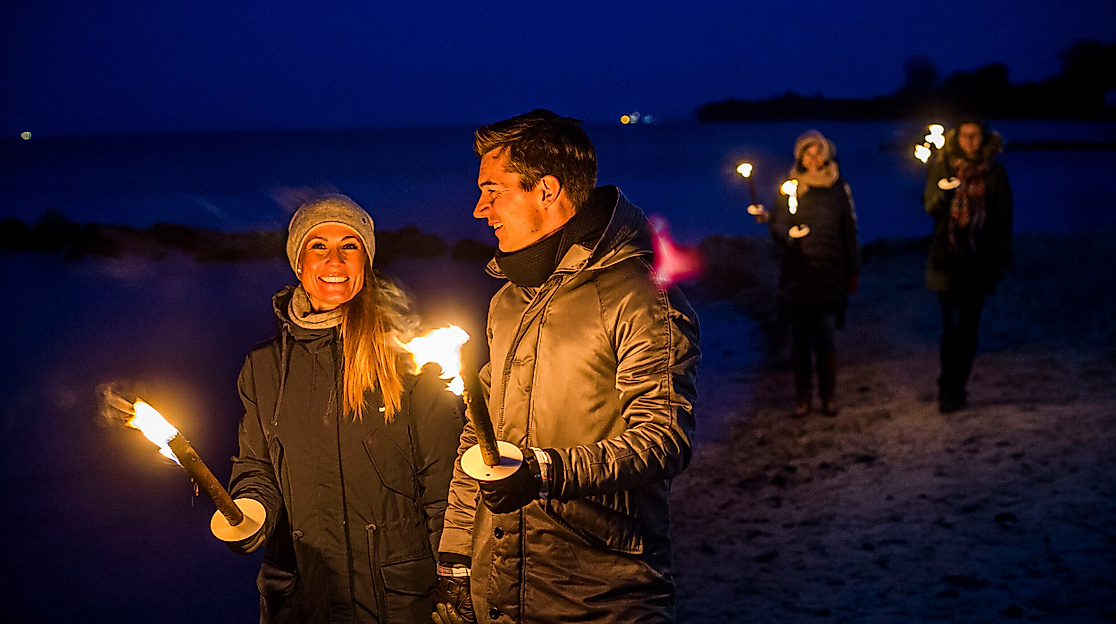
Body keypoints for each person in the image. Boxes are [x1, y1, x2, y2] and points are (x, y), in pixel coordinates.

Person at [431, 109, 700, 624]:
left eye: (492, 191)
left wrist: (545, 472)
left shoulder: (640, 297)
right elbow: (478, 436)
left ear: (547, 190)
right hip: (503, 593)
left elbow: (665, 439)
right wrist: (455, 561)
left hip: (601, 599)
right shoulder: (508, 302)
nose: (478, 209)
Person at [223, 194, 464, 623]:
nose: (334, 260)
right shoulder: (263, 366)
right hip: (299, 599)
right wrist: (250, 512)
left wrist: (454, 583)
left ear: (366, 262)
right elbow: (256, 467)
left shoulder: (410, 360)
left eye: (349, 246)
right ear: (299, 264)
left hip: (396, 600)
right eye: (318, 246)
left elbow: (445, 486)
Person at [768, 130, 860, 417]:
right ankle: (803, 399)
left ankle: (828, 398)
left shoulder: (838, 188)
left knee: (826, 339)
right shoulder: (791, 188)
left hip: (830, 272)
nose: (813, 157)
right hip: (798, 274)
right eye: (807, 152)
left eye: (818, 151)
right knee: (799, 342)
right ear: (800, 156)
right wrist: (789, 234)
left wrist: (853, 270)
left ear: (826, 154)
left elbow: (849, 231)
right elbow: (778, 224)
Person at [923, 117, 1012, 413]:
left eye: (975, 136)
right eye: (965, 136)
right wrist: (945, 196)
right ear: (956, 137)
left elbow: (1002, 219)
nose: (970, 142)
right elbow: (931, 207)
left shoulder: (995, 173)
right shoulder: (944, 166)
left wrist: (1000, 259)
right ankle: (946, 388)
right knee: (954, 326)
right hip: (947, 260)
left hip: (978, 261)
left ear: (983, 139)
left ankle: (959, 387)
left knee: (970, 327)